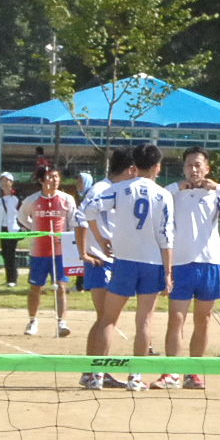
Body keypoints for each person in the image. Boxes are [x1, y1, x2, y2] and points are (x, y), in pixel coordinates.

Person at [78, 143, 174, 391]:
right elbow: (166, 236)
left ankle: (97, 374)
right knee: (144, 321)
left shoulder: (119, 189)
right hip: (151, 263)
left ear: (135, 164)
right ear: (157, 167)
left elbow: (88, 210)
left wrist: (100, 238)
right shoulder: (163, 195)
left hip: (124, 261)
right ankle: (135, 377)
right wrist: (168, 271)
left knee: (108, 319)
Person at [160, 146, 220, 389]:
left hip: (209, 263)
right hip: (180, 263)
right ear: (183, 168)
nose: (194, 169)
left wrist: (218, 187)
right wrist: (177, 186)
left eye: (198, 165)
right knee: (176, 319)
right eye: (189, 165)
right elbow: (156, 200)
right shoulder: (174, 193)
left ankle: (193, 372)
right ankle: (170, 372)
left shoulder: (215, 194)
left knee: (204, 319)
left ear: (207, 169)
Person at [74, 149, 134, 365]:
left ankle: (94, 369)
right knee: (106, 318)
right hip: (100, 261)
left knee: (106, 319)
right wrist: (84, 253)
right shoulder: (102, 189)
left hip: (114, 261)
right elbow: (79, 218)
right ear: (130, 169)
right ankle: (95, 370)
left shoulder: (120, 190)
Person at [16, 166, 76, 338]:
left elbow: (73, 221)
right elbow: (22, 217)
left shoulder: (67, 199)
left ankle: (61, 322)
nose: (55, 180)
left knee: (61, 287)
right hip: (38, 252)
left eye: (57, 177)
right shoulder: (32, 200)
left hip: (60, 252)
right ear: (41, 180)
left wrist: (65, 238)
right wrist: (34, 229)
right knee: (36, 287)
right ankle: (33, 320)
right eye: (50, 177)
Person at [0, 172, 20, 286]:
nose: (3, 183)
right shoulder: (0, 199)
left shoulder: (17, 197)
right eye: (1, 181)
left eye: (6, 180)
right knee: (5, 253)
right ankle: (9, 278)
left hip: (14, 229)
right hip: (3, 229)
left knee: (11, 253)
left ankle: (13, 279)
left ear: (11, 182)